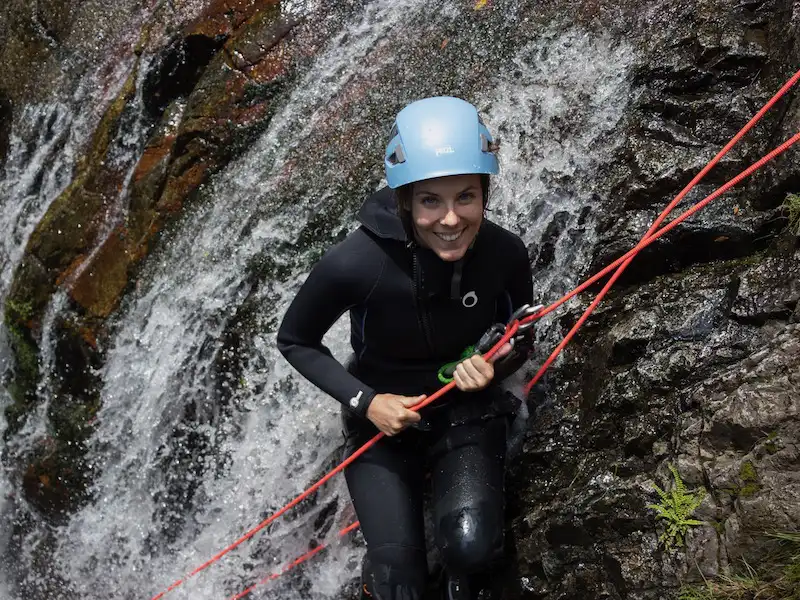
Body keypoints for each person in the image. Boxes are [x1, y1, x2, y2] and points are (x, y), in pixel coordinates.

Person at [277, 96, 534, 600]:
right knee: (398, 582)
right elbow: (295, 340)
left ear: (484, 193)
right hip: (381, 422)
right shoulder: (355, 263)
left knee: (470, 549)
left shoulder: (505, 254)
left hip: (465, 411)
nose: (451, 219)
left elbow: (519, 333)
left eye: (466, 197)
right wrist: (367, 402)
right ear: (406, 200)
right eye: (431, 201)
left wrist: (493, 365)